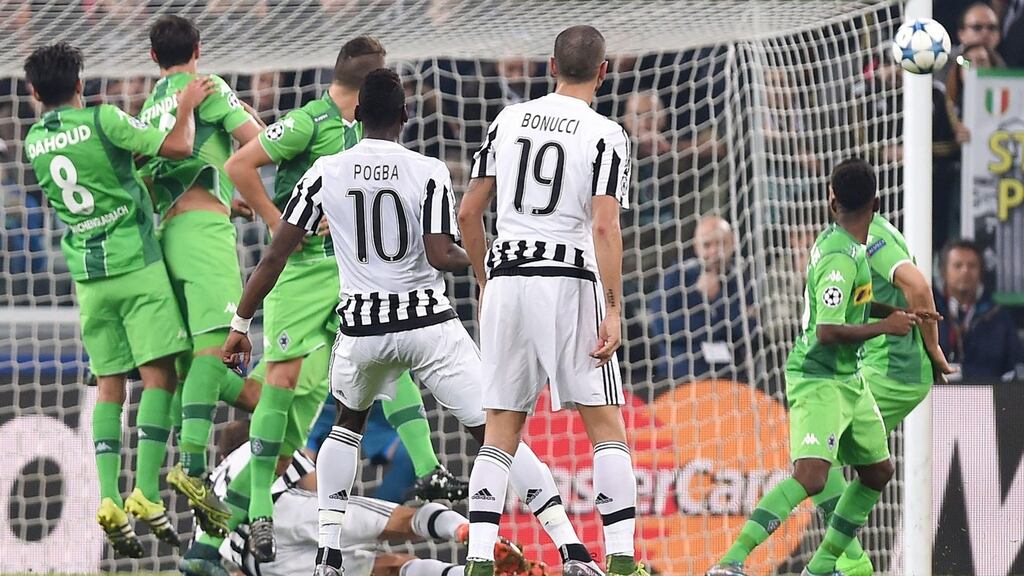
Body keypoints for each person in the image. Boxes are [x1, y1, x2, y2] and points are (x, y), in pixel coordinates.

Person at [222, 69, 589, 576]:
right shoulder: (428, 170)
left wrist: (242, 323)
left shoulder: (325, 171)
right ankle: (571, 549)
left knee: (345, 429)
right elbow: (439, 254)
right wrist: (484, 259)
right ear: (405, 115)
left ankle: (328, 556)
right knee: (497, 432)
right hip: (426, 326)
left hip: (362, 331)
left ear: (356, 115)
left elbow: (274, 257)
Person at [224, 36, 464, 562]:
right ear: (366, 81)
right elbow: (240, 165)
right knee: (281, 381)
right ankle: (260, 508)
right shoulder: (308, 122)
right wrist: (279, 221)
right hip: (302, 273)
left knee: (388, 359)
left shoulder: (364, 131)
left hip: (351, 270)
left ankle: (429, 469)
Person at [459, 25, 648, 576]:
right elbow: (605, 226)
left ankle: (478, 560)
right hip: (566, 278)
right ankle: (621, 560)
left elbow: (469, 213)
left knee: (500, 431)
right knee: (605, 427)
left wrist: (484, 279)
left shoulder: (507, 120)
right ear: (603, 72)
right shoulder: (606, 133)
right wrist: (613, 308)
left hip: (508, 275)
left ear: (550, 66)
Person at [23, 42, 209, 557]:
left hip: (88, 279)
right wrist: (185, 107)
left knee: (109, 384)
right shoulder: (104, 119)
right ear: (80, 84)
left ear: (34, 93)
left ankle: (107, 496)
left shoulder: (34, 141)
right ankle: (145, 490)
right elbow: (178, 147)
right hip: (135, 265)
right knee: (160, 376)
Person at [707, 158, 920, 576]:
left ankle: (821, 566)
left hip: (849, 379)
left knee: (878, 471)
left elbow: (854, 302)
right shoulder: (840, 257)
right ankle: (731, 561)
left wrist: (892, 312)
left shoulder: (845, 244)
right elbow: (828, 330)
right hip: (819, 378)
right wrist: (886, 326)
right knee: (811, 476)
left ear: (831, 199)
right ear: (877, 203)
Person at [136, 14, 263, 537]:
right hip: (203, 236)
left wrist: (224, 198)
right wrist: (253, 118)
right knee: (216, 346)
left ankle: (260, 408)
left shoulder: (150, 105)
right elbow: (259, 142)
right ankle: (192, 466)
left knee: (195, 361)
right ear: (198, 50)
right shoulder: (206, 86)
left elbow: (153, 177)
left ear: (152, 58)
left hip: (167, 236)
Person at [803, 212, 953, 576]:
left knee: (814, 453)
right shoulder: (849, 237)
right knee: (814, 453)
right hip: (878, 365)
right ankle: (844, 561)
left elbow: (918, 285)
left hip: (893, 370)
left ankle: (848, 562)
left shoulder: (872, 236)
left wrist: (933, 346)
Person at [199, 420, 544, 576]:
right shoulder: (259, 447)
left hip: (260, 560)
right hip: (284, 508)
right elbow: (316, 485)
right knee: (401, 522)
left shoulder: (212, 485)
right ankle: (466, 532)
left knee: (385, 570)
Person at [647, 215, 758, 383]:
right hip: (682, 375)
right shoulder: (675, 277)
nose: (714, 251)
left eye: (721, 243)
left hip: (729, 375)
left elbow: (748, 332)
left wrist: (716, 298)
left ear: (733, 243)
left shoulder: (742, 279)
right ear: (696, 246)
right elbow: (662, 328)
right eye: (707, 245)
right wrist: (716, 326)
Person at [934, 239, 1024, 380]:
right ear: (943, 271)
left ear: (981, 272)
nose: (965, 271)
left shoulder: (999, 316)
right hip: (936, 391)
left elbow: (1015, 367)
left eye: (972, 266)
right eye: (958, 265)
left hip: (990, 392)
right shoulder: (931, 313)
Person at [936, 2, 1002, 84]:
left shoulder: (1001, 64)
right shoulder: (945, 60)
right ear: (961, 34)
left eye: (991, 28)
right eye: (977, 27)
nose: (985, 33)